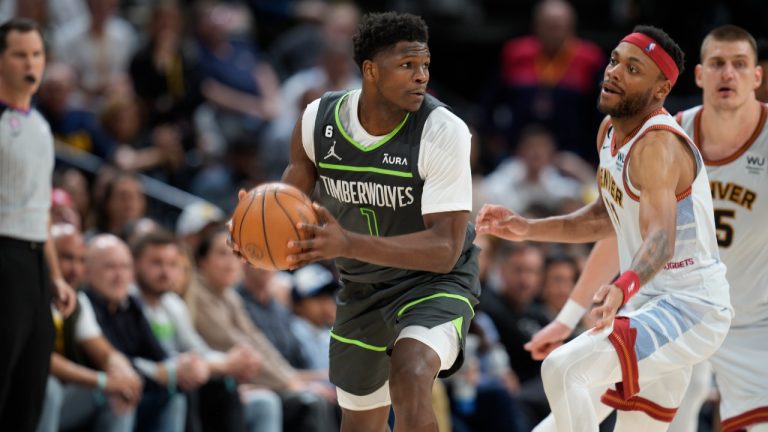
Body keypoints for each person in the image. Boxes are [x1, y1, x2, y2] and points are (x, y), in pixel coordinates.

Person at [233, 11, 480, 431]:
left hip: (434, 282)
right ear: (369, 70)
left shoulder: (442, 130)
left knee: (411, 372)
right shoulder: (317, 121)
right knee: (360, 424)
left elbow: (444, 250)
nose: (421, 76)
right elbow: (289, 208)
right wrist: (251, 234)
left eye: (424, 66)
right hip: (362, 287)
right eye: (406, 65)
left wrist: (347, 243)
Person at [477, 25, 733, 431]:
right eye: (614, 60)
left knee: (564, 369)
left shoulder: (658, 146)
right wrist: (526, 228)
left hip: (690, 308)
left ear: (660, 90)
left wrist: (622, 285)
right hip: (651, 305)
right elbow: (603, 217)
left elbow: (661, 240)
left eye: (633, 69)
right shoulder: (610, 133)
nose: (613, 72)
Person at [0, 18, 76, 430]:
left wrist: (57, 276)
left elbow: (41, 209)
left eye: (37, 54)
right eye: (19, 54)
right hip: (4, 253)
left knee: (29, 390)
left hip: (33, 266)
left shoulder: (41, 126)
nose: (31, 63)